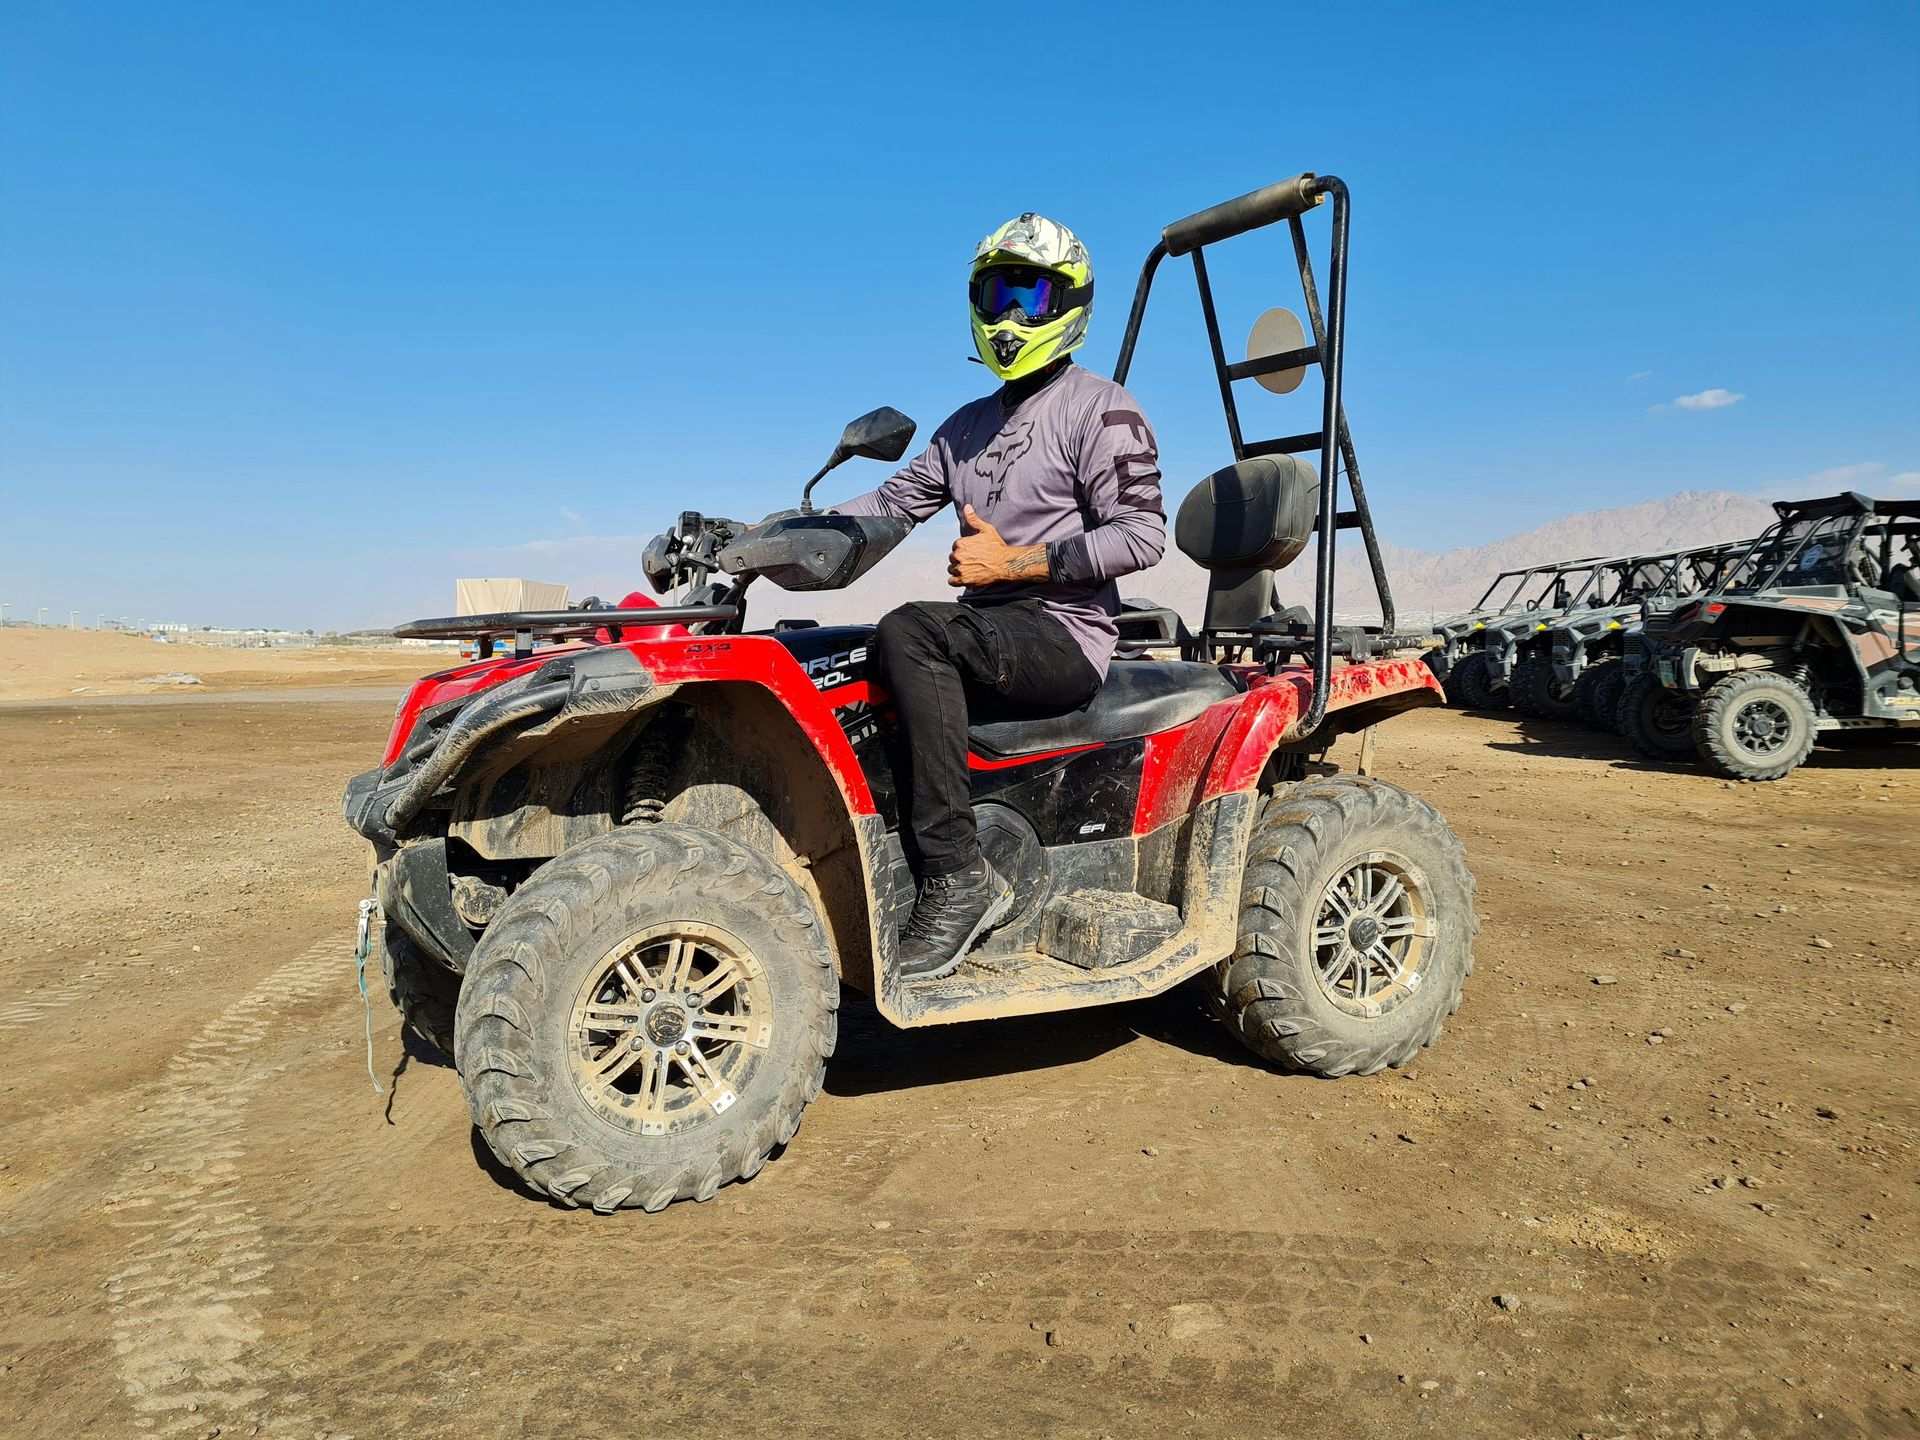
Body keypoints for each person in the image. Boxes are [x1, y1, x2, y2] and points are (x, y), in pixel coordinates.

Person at [833, 213, 1166, 981]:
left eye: (1033, 295)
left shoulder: (1102, 408)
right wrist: (771, 535)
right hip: (993, 628)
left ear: (1071, 305)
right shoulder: (964, 428)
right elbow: (886, 508)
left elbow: (1143, 537)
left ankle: (958, 875)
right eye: (998, 294)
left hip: (1063, 630)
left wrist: (1015, 564)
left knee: (911, 631)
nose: (1012, 317)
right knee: (847, 654)